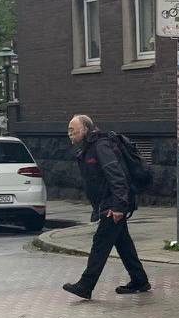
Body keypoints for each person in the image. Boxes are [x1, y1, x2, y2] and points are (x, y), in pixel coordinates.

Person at [62, 115, 150, 299]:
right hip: (109, 203)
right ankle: (139, 280)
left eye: (73, 129)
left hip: (113, 204)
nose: (69, 133)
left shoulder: (100, 146)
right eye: (68, 130)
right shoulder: (90, 148)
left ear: (86, 129)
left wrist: (119, 206)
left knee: (100, 243)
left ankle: (86, 285)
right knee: (123, 244)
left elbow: (117, 176)